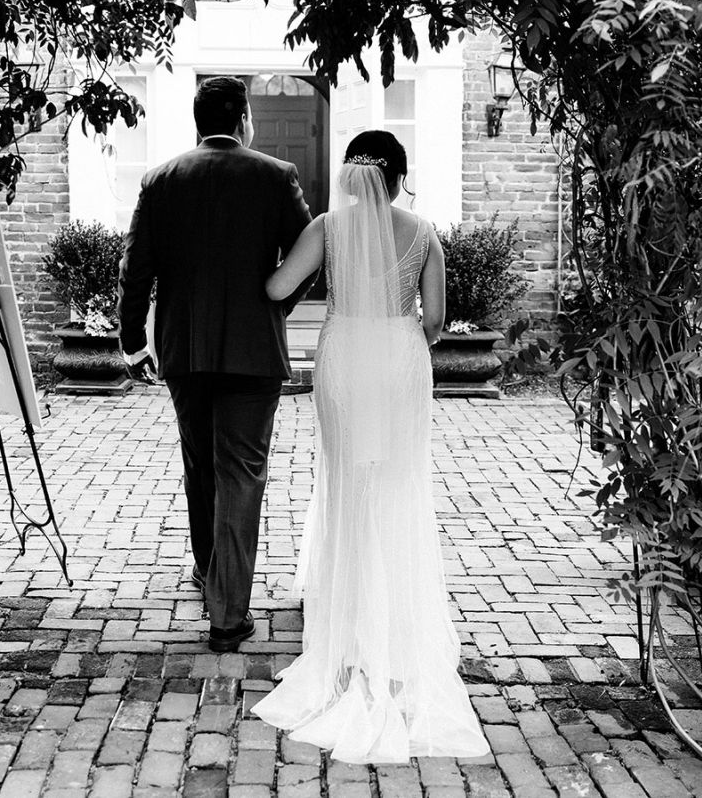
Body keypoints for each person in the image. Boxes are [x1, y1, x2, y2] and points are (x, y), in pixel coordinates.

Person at [253, 131, 488, 763]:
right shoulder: (424, 233)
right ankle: (394, 619)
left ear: (352, 175)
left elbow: (276, 289)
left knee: (348, 482)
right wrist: (406, 336)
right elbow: (434, 321)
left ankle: (349, 624)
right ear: (400, 176)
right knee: (396, 482)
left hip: (345, 357)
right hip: (399, 357)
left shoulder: (329, 227)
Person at [117, 76, 315, 653]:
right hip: (254, 353)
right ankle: (227, 614)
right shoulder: (276, 175)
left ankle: (210, 573)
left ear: (198, 122)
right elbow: (310, 256)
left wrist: (133, 344)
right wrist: (275, 306)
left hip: (185, 352)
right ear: (244, 119)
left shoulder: (161, 180)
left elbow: (135, 271)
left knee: (200, 465)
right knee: (241, 474)